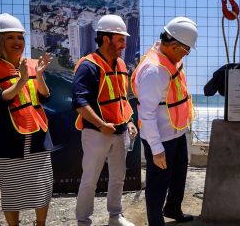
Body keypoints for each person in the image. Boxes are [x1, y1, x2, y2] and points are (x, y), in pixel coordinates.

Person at [0, 13, 53, 226]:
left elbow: (44, 96)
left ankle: (40, 223)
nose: (17, 42)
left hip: (37, 134)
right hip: (8, 138)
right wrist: (22, 80)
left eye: (20, 37)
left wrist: (38, 76)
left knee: (43, 185)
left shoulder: (31, 63)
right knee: (11, 189)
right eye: (10, 37)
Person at [131, 16, 197, 226]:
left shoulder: (171, 58)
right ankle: (156, 221)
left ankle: (173, 208)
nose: (186, 54)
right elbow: (146, 115)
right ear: (174, 45)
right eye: (185, 50)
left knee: (179, 174)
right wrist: (157, 149)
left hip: (176, 131)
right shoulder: (154, 71)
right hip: (160, 136)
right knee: (158, 183)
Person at [73, 14, 137, 226]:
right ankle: (83, 222)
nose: (124, 44)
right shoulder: (88, 66)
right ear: (106, 38)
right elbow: (80, 103)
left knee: (118, 177)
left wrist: (129, 121)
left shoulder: (120, 64)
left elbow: (123, 98)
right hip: (96, 132)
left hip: (119, 132)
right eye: (120, 39)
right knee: (89, 180)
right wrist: (101, 125)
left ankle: (115, 217)